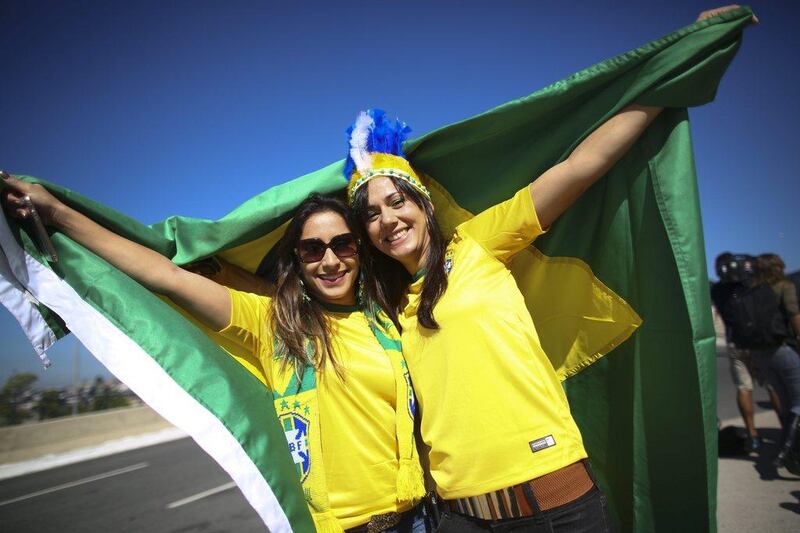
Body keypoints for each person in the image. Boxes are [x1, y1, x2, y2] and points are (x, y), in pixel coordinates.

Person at [345, 7, 753, 530]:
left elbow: (580, 168)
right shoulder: (385, 310)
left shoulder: (477, 245)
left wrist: (669, 74)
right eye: (372, 213)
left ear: (424, 205)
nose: (388, 219)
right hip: (457, 518)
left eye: (398, 201)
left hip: (556, 508)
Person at [1, 176, 429, 533]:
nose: (330, 260)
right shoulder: (272, 323)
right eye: (312, 249)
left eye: (343, 244)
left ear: (360, 249)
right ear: (297, 260)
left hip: (420, 518)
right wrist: (56, 213)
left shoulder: (389, 316)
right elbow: (164, 274)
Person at [711, 252, 782, 452]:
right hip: (759, 345)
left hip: (736, 344)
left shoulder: (718, 290)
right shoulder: (751, 285)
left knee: (744, 387)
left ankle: (752, 435)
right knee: (771, 386)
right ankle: (787, 430)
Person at [749, 253, 800, 473]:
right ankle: (787, 451)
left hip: (760, 352)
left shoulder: (749, 290)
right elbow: (793, 315)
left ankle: (789, 446)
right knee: (798, 400)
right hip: (782, 348)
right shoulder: (783, 286)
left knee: (786, 399)